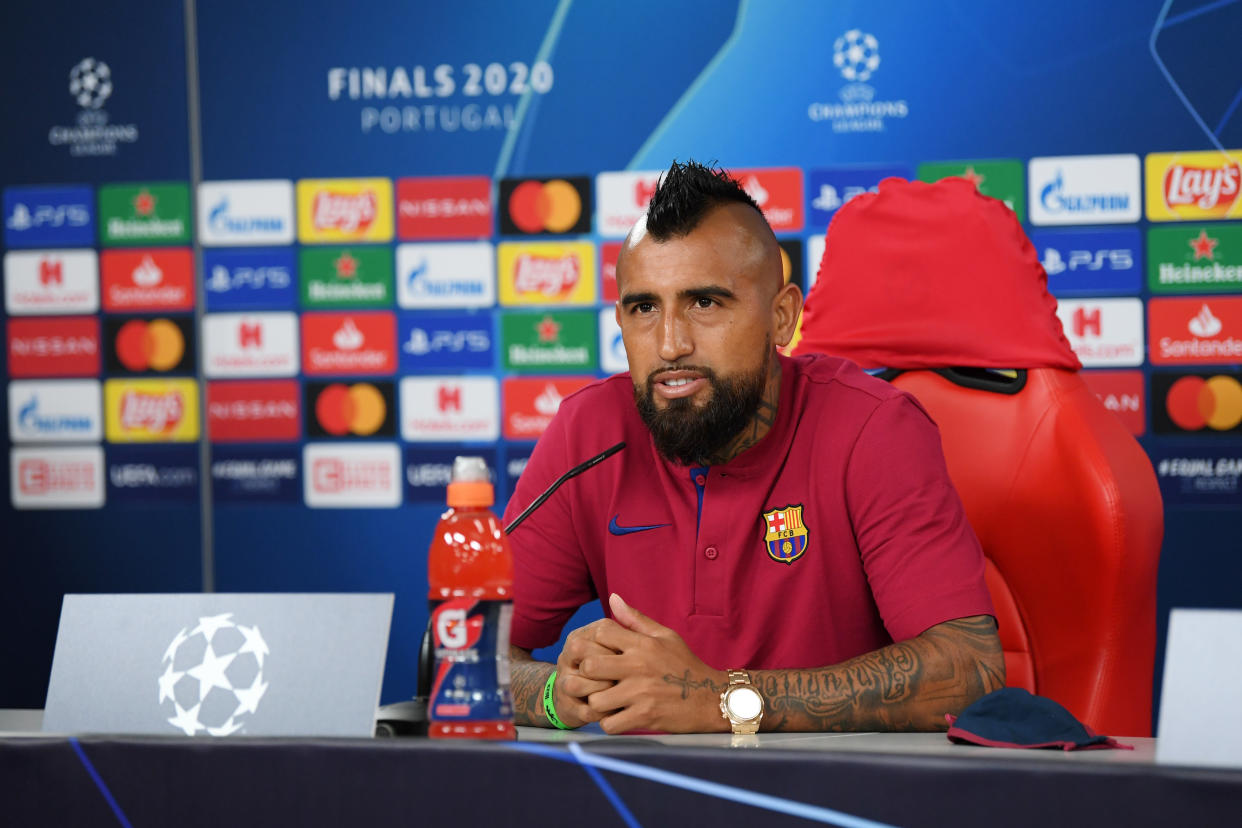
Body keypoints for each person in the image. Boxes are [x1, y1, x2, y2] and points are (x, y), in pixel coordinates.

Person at [504, 160, 1003, 734]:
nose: (670, 344)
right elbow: (455, 655)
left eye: (705, 303)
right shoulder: (587, 434)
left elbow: (970, 671)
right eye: (645, 308)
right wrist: (552, 694)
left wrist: (723, 700)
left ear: (782, 316)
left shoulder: (874, 429)